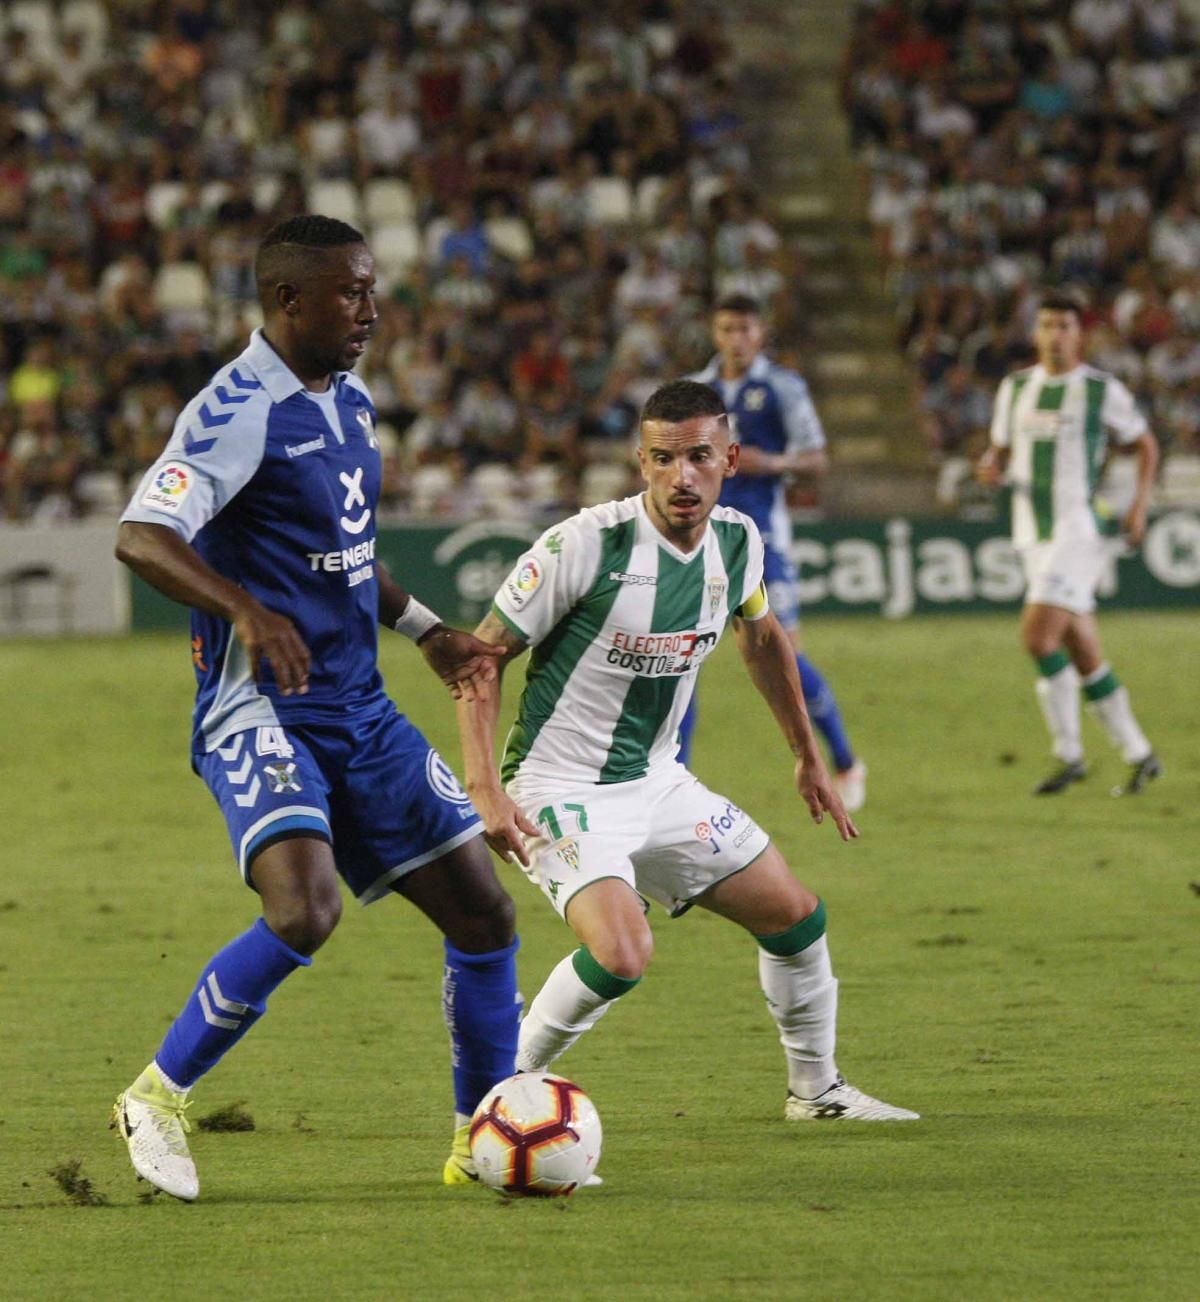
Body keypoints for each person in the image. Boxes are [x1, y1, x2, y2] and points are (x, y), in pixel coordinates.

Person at [111, 215, 522, 1201]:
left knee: (484, 914)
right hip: (260, 711)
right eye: (351, 294)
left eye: (373, 291)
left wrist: (424, 625)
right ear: (288, 300)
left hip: (361, 707)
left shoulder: (348, 397)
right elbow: (140, 535)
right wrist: (244, 609)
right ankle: (156, 1095)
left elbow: (341, 552)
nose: (371, 313)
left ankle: (483, 1140)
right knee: (306, 909)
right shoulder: (234, 408)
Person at [455, 379, 918, 1125]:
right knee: (621, 953)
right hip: (556, 786)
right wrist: (484, 790)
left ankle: (817, 1093)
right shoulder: (584, 545)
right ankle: (494, 1094)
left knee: (795, 918)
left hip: (658, 784)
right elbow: (479, 659)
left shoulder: (738, 543)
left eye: (699, 457)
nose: (682, 477)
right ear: (641, 461)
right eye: (663, 459)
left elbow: (763, 638)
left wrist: (807, 754)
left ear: (730, 459)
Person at [685, 295, 867, 811]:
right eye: (726, 329)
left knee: (785, 655)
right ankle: (674, 776)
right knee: (680, 655)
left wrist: (772, 462)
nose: (736, 339)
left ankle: (846, 759)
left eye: (745, 328)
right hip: (699, 539)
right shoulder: (698, 393)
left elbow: (816, 460)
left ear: (759, 333)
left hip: (762, 541)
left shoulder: (783, 388)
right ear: (714, 333)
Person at [976, 291, 1161, 796]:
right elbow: (1000, 450)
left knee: (1037, 637)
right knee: (1083, 652)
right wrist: (991, 467)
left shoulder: (1100, 390)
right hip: (1030, 532)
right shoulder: (1014, 389)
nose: (1055, 334)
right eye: (1047, 325)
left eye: (1064, 326)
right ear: (1035, 333)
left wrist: (1140, 504)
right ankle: (1140, 754)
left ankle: (1070, 754)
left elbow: (1145, 443)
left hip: (1078, 530)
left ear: (1079, 334)